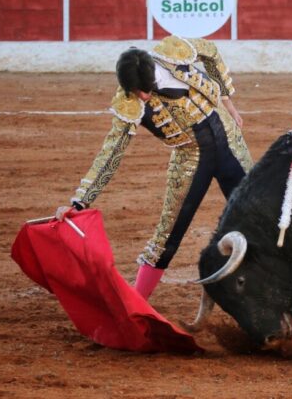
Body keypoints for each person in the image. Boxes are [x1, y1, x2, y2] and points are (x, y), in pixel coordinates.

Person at [56, 38, 253, 300]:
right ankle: (136, 304)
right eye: (136, 92)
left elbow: (211, 52)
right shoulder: (129, 101)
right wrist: (80, 201)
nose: (144, 96)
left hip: (229, 140)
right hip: (192, 159)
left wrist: (227, 100)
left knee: (259, 219)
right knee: (168, 235)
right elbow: (112, 150)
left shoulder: (175, 52)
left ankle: (281, 298)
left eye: (145, 89)